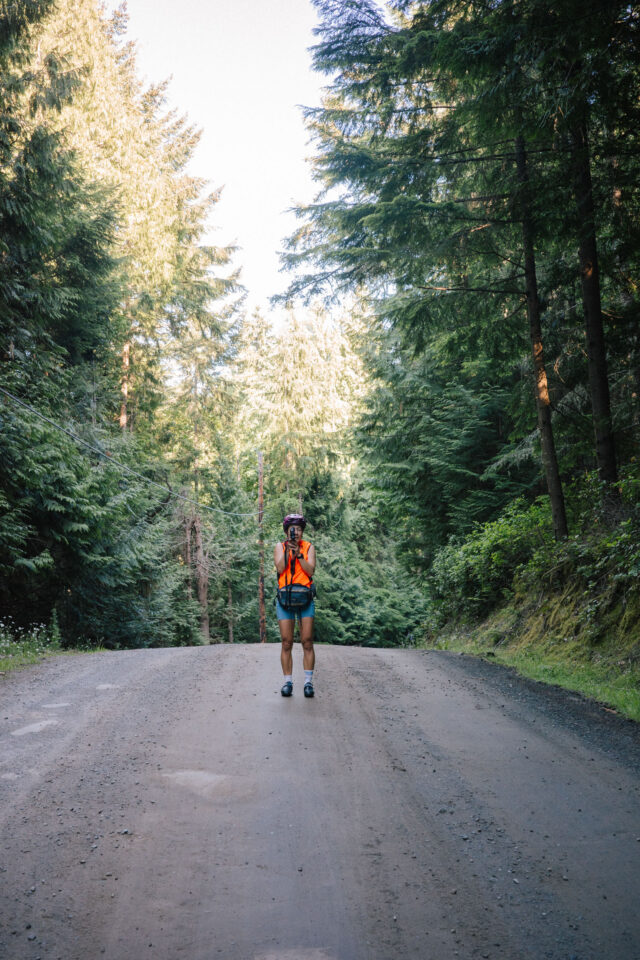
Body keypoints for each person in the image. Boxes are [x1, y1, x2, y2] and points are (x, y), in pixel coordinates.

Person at [274, 513, 316, 698]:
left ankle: (308, 683)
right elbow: (280, 569)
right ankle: (288, 682)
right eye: (293, 529)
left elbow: (310, 570)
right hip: (285, 598)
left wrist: (299, 554)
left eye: (299, 529)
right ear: (286, 531)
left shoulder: (308, 547)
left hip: (305, 598)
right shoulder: (279, 546)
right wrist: (288, 551)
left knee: (307, 641)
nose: (296, 532)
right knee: (286, 642)